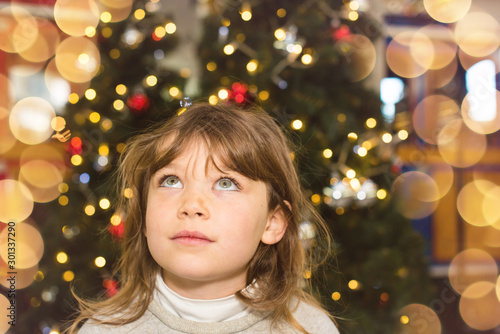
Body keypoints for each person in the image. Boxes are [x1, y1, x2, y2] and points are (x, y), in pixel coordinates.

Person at [67, 102, 339, 334]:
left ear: (272, 223)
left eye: (225, 183)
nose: (191, 206)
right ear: (144, 216)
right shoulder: (103, 330)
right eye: (171, 180)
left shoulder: (310, 328)